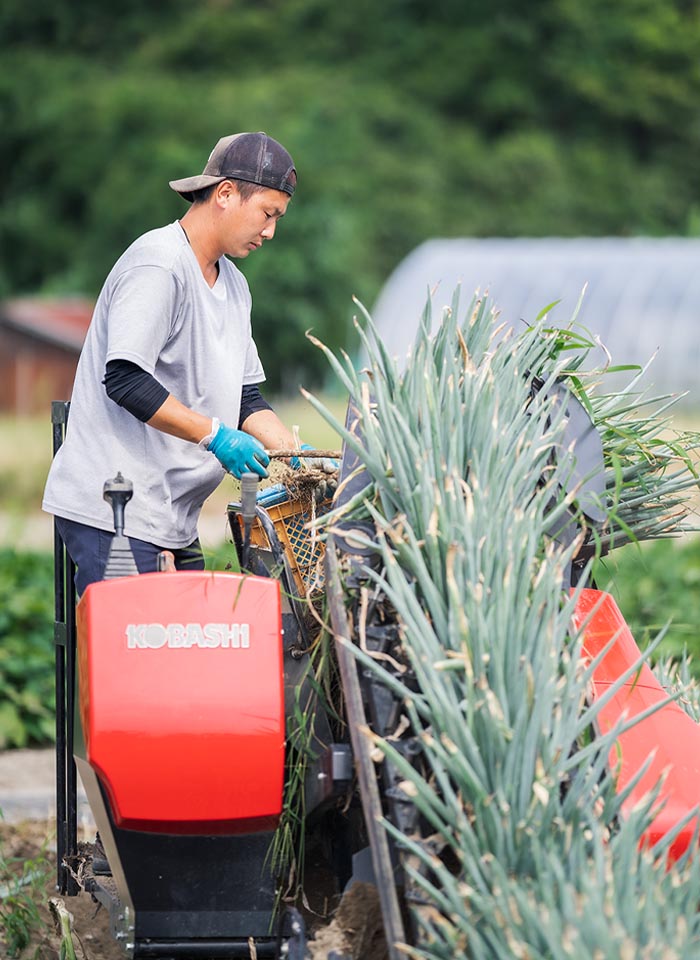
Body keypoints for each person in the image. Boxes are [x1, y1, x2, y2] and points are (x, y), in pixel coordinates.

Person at [42, 131, 308, 595]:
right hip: (116, 507)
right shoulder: (159, 264)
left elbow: (244, 397)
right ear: (225, 194)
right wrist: (215, 436)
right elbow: (125, 379)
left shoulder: (235, 286)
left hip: (171, 517)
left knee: (188, 636)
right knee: (136, 637)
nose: (270, 232)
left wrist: (296, 456)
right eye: (268, 214)